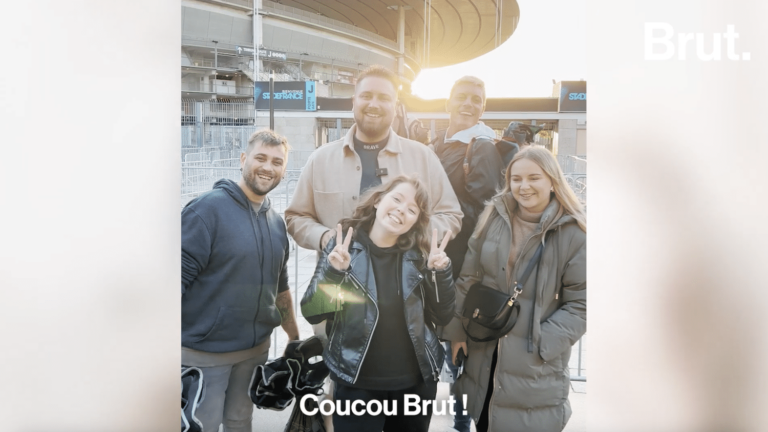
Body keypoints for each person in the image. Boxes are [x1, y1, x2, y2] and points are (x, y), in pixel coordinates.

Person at [443, 146, 587, 432]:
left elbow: (582, 305)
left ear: (552, 180)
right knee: (484, 420)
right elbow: (470, 278)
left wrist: (540, 341)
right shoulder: (493, 217)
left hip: (534, 364)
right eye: (516, 179)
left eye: (534, 177)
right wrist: (456, 331)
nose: (524, 186)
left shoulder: (573, 233)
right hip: (484, 350)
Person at [301, 176, 457, 432]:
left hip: (414, 385)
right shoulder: (344, 248)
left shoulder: (421, 255)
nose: (401, 210)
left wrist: (440, 274)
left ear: (416, 221)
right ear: (377, 200)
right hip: (356, 384)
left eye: (411, 209)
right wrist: (334, 273)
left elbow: (442, 315)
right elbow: (312, 312)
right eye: (397, 199)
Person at [181, 129, 300, 432]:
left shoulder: (276, 223)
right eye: (260, 158)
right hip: (204, 353)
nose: (268, 167)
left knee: (240, 423)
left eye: (277, 162)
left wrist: (294, 338)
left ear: (283, 170)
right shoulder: (206, 211)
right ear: (243, 159)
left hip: (254, 352)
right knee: (200, 426)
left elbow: (280, 287)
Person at [285, 65, 462, 253]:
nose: (374, 104)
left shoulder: (424, 158)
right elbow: (296, 217)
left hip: (403, 279)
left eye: (384, 98)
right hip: (337, 280)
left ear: (395, 106)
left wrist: (411, 234)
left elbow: (450, 216)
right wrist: (323, 237)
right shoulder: (320, 160)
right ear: (354, 101)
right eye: (366, 96)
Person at [431, 75, 504, 432]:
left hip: (462, 271)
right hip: (439, 267)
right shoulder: (442, 144)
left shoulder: (481, 147)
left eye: (477, 99)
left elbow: (486, 211)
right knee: (452, 358)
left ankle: (464, 425)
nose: (469, 103)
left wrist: (441, 218)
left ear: (483, 108)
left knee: (461, 358)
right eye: (462, 96)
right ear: (448, 102)